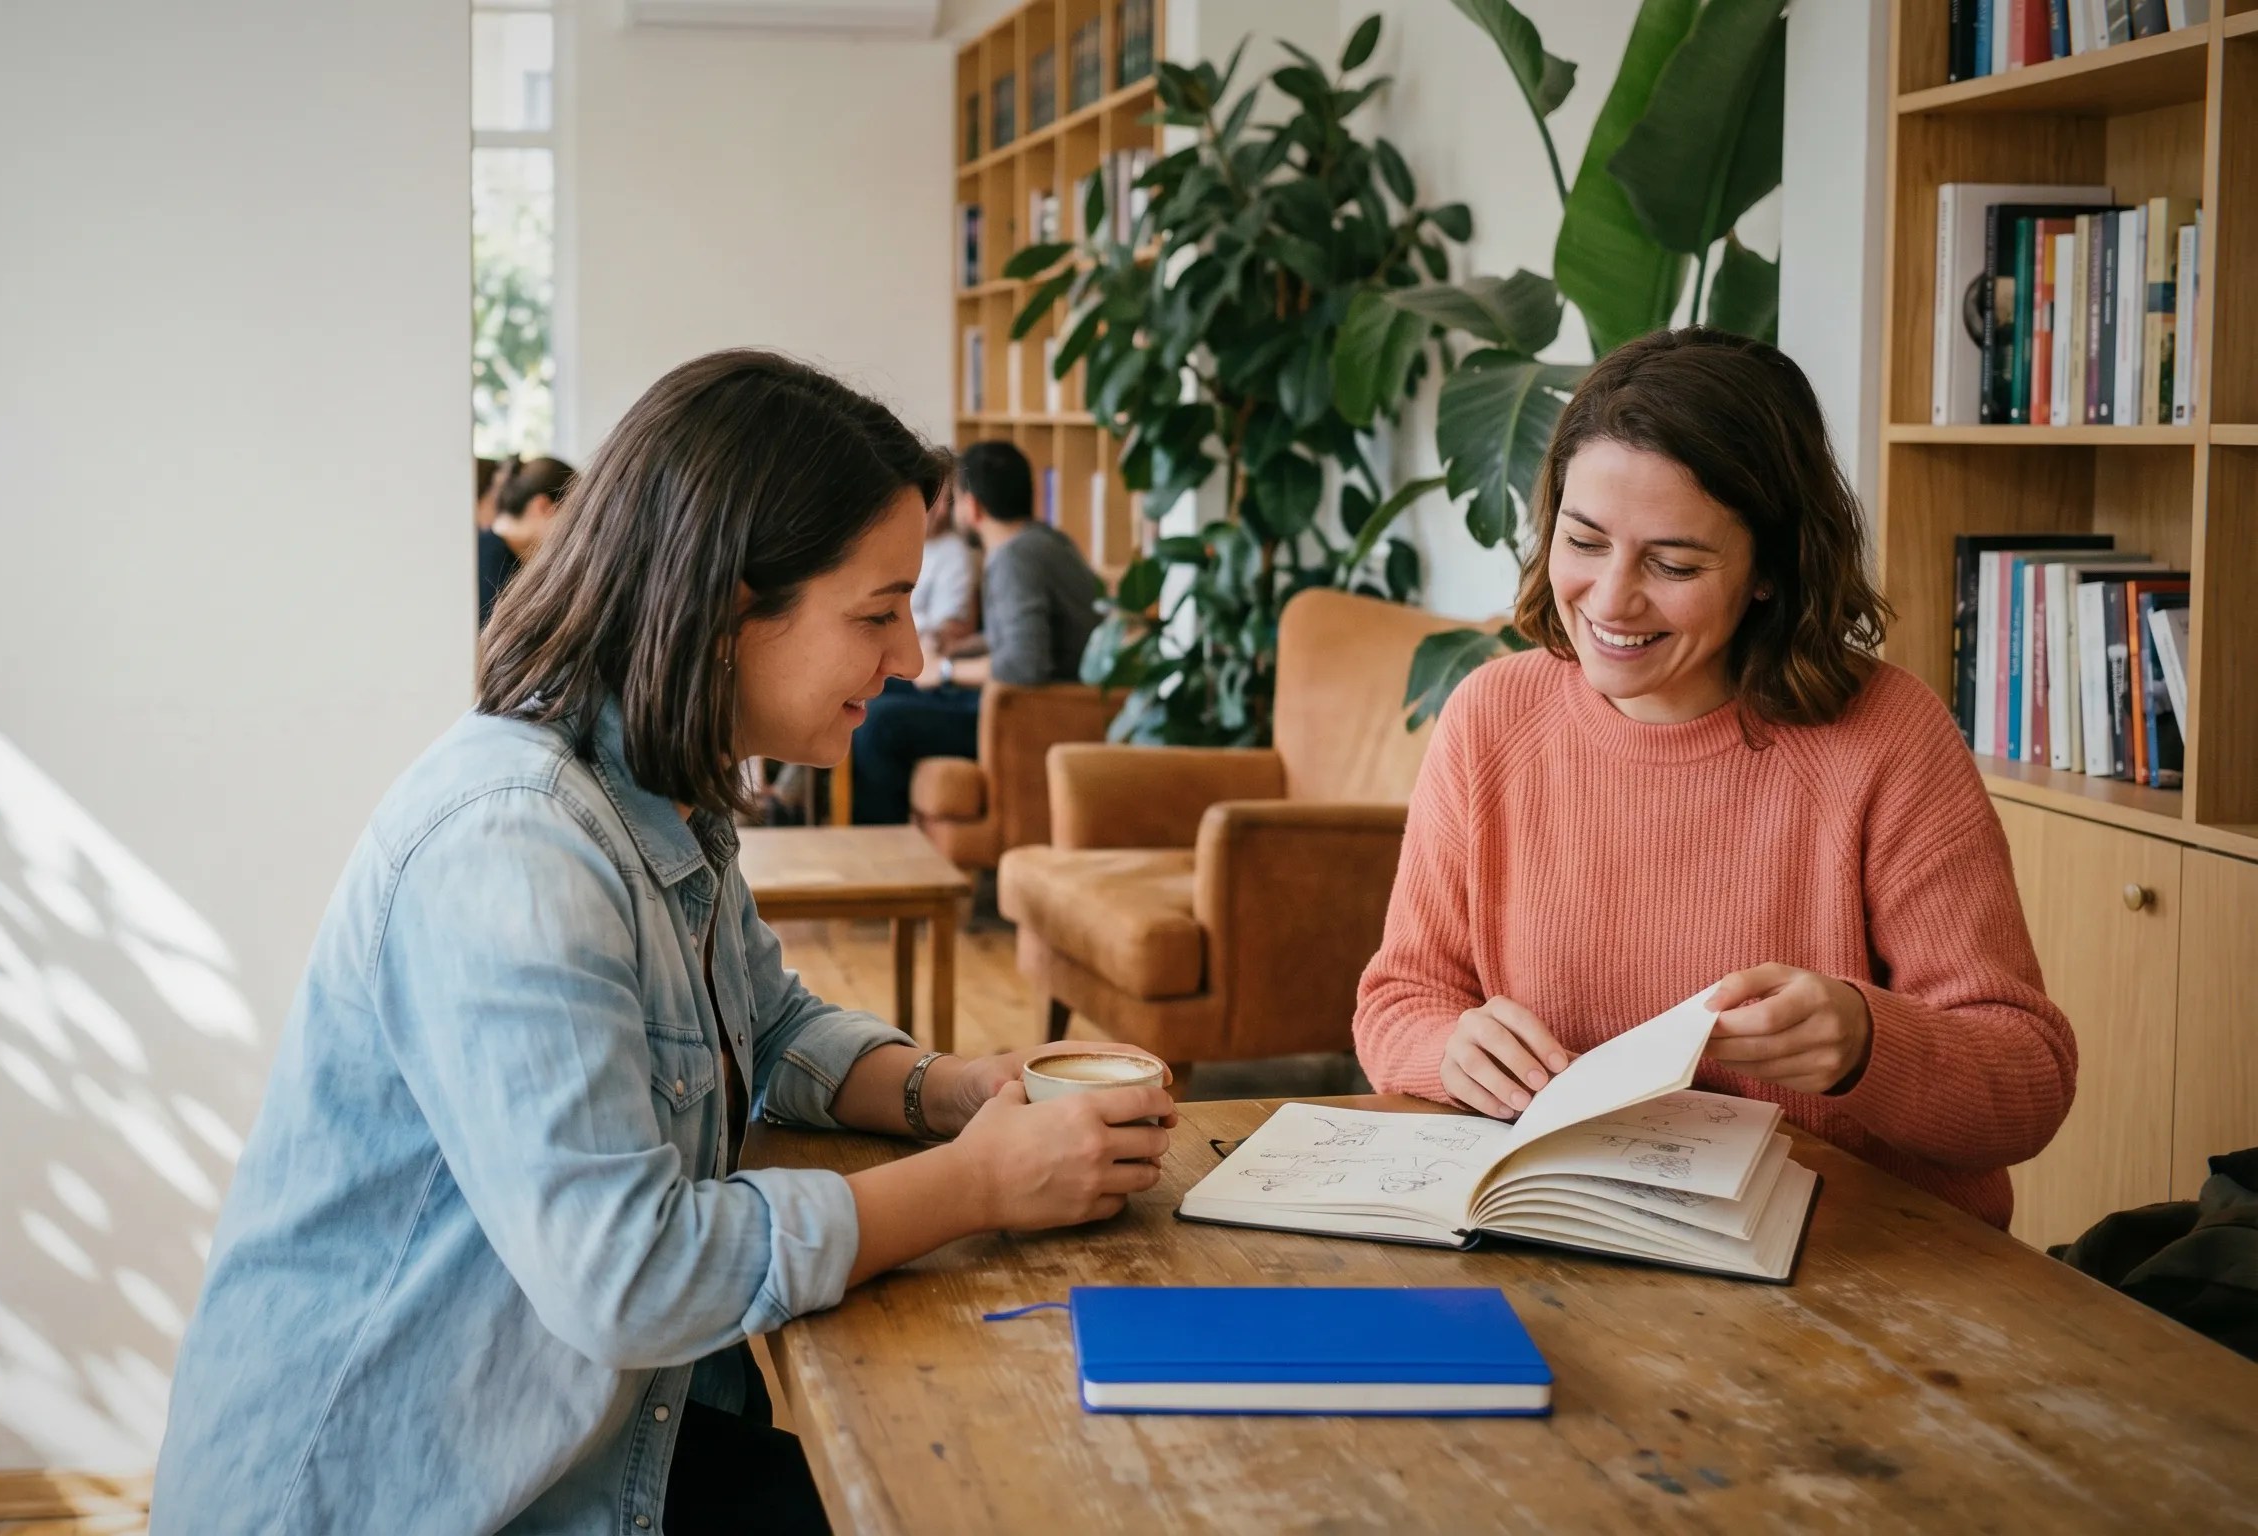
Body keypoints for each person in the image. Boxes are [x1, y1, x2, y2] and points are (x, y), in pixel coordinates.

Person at [152, 350, 1173, 1536]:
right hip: (394, 1493)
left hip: (567, 1449)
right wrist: (975, 1183)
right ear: (735, 605)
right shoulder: (514, 849)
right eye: (878, 614)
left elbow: (771, 1020)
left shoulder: (655, 789)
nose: (906, 659)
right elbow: (628, 1277)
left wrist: (948, 1091)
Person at [1353, 328, 2076, 1232]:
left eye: (1674, 564)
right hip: (1580, 1240)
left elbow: (2028, 1082)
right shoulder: (1492, 716)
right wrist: (1446, 1047)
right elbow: (1399, 1000)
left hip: (1865, 1272)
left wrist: (1865, 1043)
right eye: (1584, 541)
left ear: (1769, 570)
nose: (1612, 600)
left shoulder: (1887, 738)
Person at [848, 440, 1100, 825]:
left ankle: (885, 858)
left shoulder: (1017, 559)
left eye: (957, 498)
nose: (951, 509)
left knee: (879, 724)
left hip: (1025, 717)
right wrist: (954, 652)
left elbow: (1025, 664)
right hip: (1019, 705)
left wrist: (945, 673)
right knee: (874, 684)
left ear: (975, 507)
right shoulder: (1047, 543)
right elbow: (1020, 640)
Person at [478, 455, 576, 627]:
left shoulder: (498, 553)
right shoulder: (490, 564)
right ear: (543, 506)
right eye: (574, 515)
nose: (576, 531)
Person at [909, 473, 979, 653]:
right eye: (935, 500)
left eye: (948, 501)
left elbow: (946, 630)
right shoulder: (884, 544)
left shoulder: (953, 551)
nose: (943, 511)